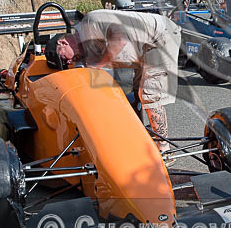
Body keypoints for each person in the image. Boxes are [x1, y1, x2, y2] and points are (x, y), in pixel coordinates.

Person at [46, 9, 182, 154]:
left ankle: (165, 150)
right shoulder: (85, 52)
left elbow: (119, 40)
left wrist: (96, 65)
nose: (68, 62)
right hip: (142, 49)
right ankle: (137, 138)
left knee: (149, 94)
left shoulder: (91, 22)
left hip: (160, 37)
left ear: (63, 42)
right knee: (136, 93)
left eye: (64, 58)